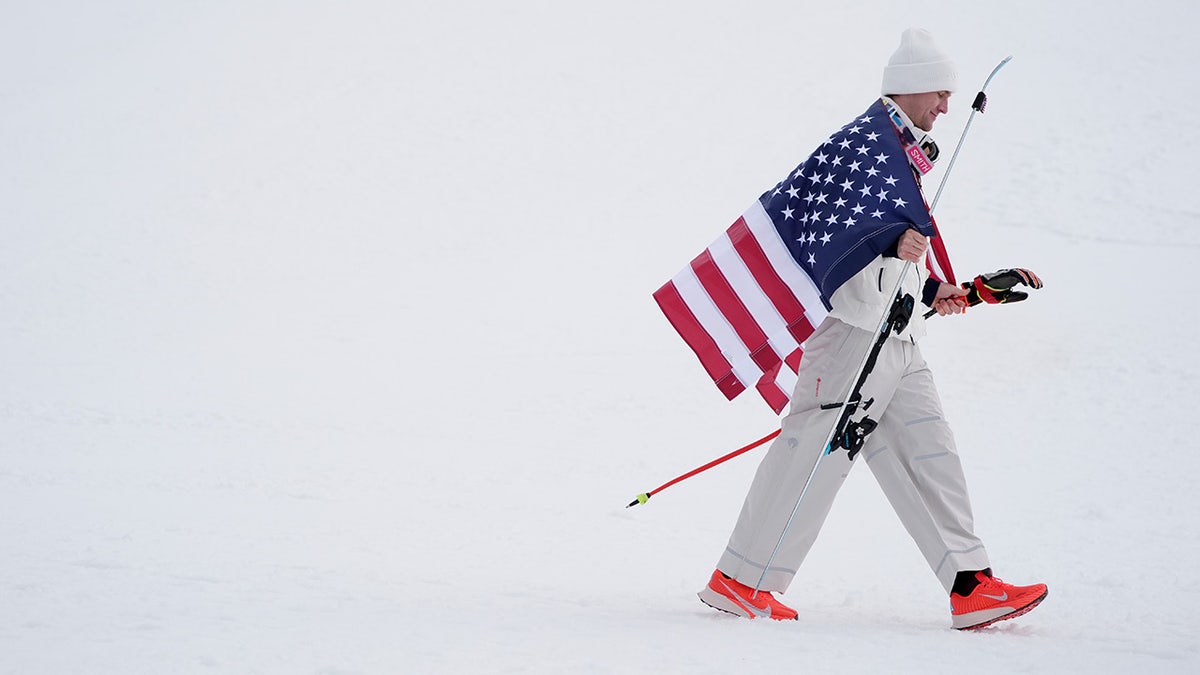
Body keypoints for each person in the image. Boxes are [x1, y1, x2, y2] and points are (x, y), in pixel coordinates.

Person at [696, 28, 1047, 630]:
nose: (945, 106)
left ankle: (971, 583)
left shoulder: (904, 156)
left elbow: (895, 248)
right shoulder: (864, 149)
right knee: (811, 456)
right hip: (853, 338)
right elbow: (832, 246)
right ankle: (740, 579)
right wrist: (891, 246)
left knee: (931, 451)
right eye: (939, 92)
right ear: (909, 89)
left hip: (900, 341)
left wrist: (939, 288)